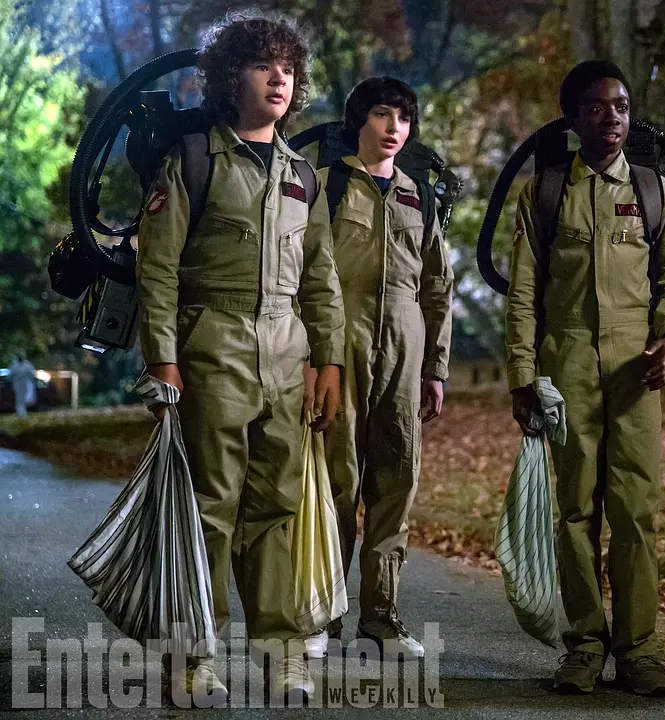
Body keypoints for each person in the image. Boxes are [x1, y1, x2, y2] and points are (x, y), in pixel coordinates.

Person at [135, 11, 345, 707]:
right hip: (211, 346)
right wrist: (162, 361)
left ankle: (283, 655)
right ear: (232, 77)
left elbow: (321, 277)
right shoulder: (194, 159)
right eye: (262, 66)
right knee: (209, 509)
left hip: (286, 353)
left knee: (277, 507)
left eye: (287, 67)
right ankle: (193, 658)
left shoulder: (302, 174)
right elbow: (158, 270)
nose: (278, 79)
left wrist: (330, 361)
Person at [503, 60, 665, 697]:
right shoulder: (545, 192)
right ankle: (584, 646)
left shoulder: (656, 192)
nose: (611, 118)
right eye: (596, 107)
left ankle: (639, 650)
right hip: (568, 364)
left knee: (635, 511)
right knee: (575, 511)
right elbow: (522, 292)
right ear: (574, 119)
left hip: (637, 370)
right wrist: (522, 375)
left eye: (621, 107)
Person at [314, 77, 453, 661]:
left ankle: (382, 618)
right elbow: (303, 273)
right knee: (335, 483)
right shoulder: (325, 184)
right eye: (381, 114)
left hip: (404, 350)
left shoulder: (419, 197)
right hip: (339, 347)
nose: (394, 127)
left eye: (403, 117)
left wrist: (435, 369)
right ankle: (322, 615)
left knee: (396, 482)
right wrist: (312, 357)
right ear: (359, 121)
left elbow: (437, 287)